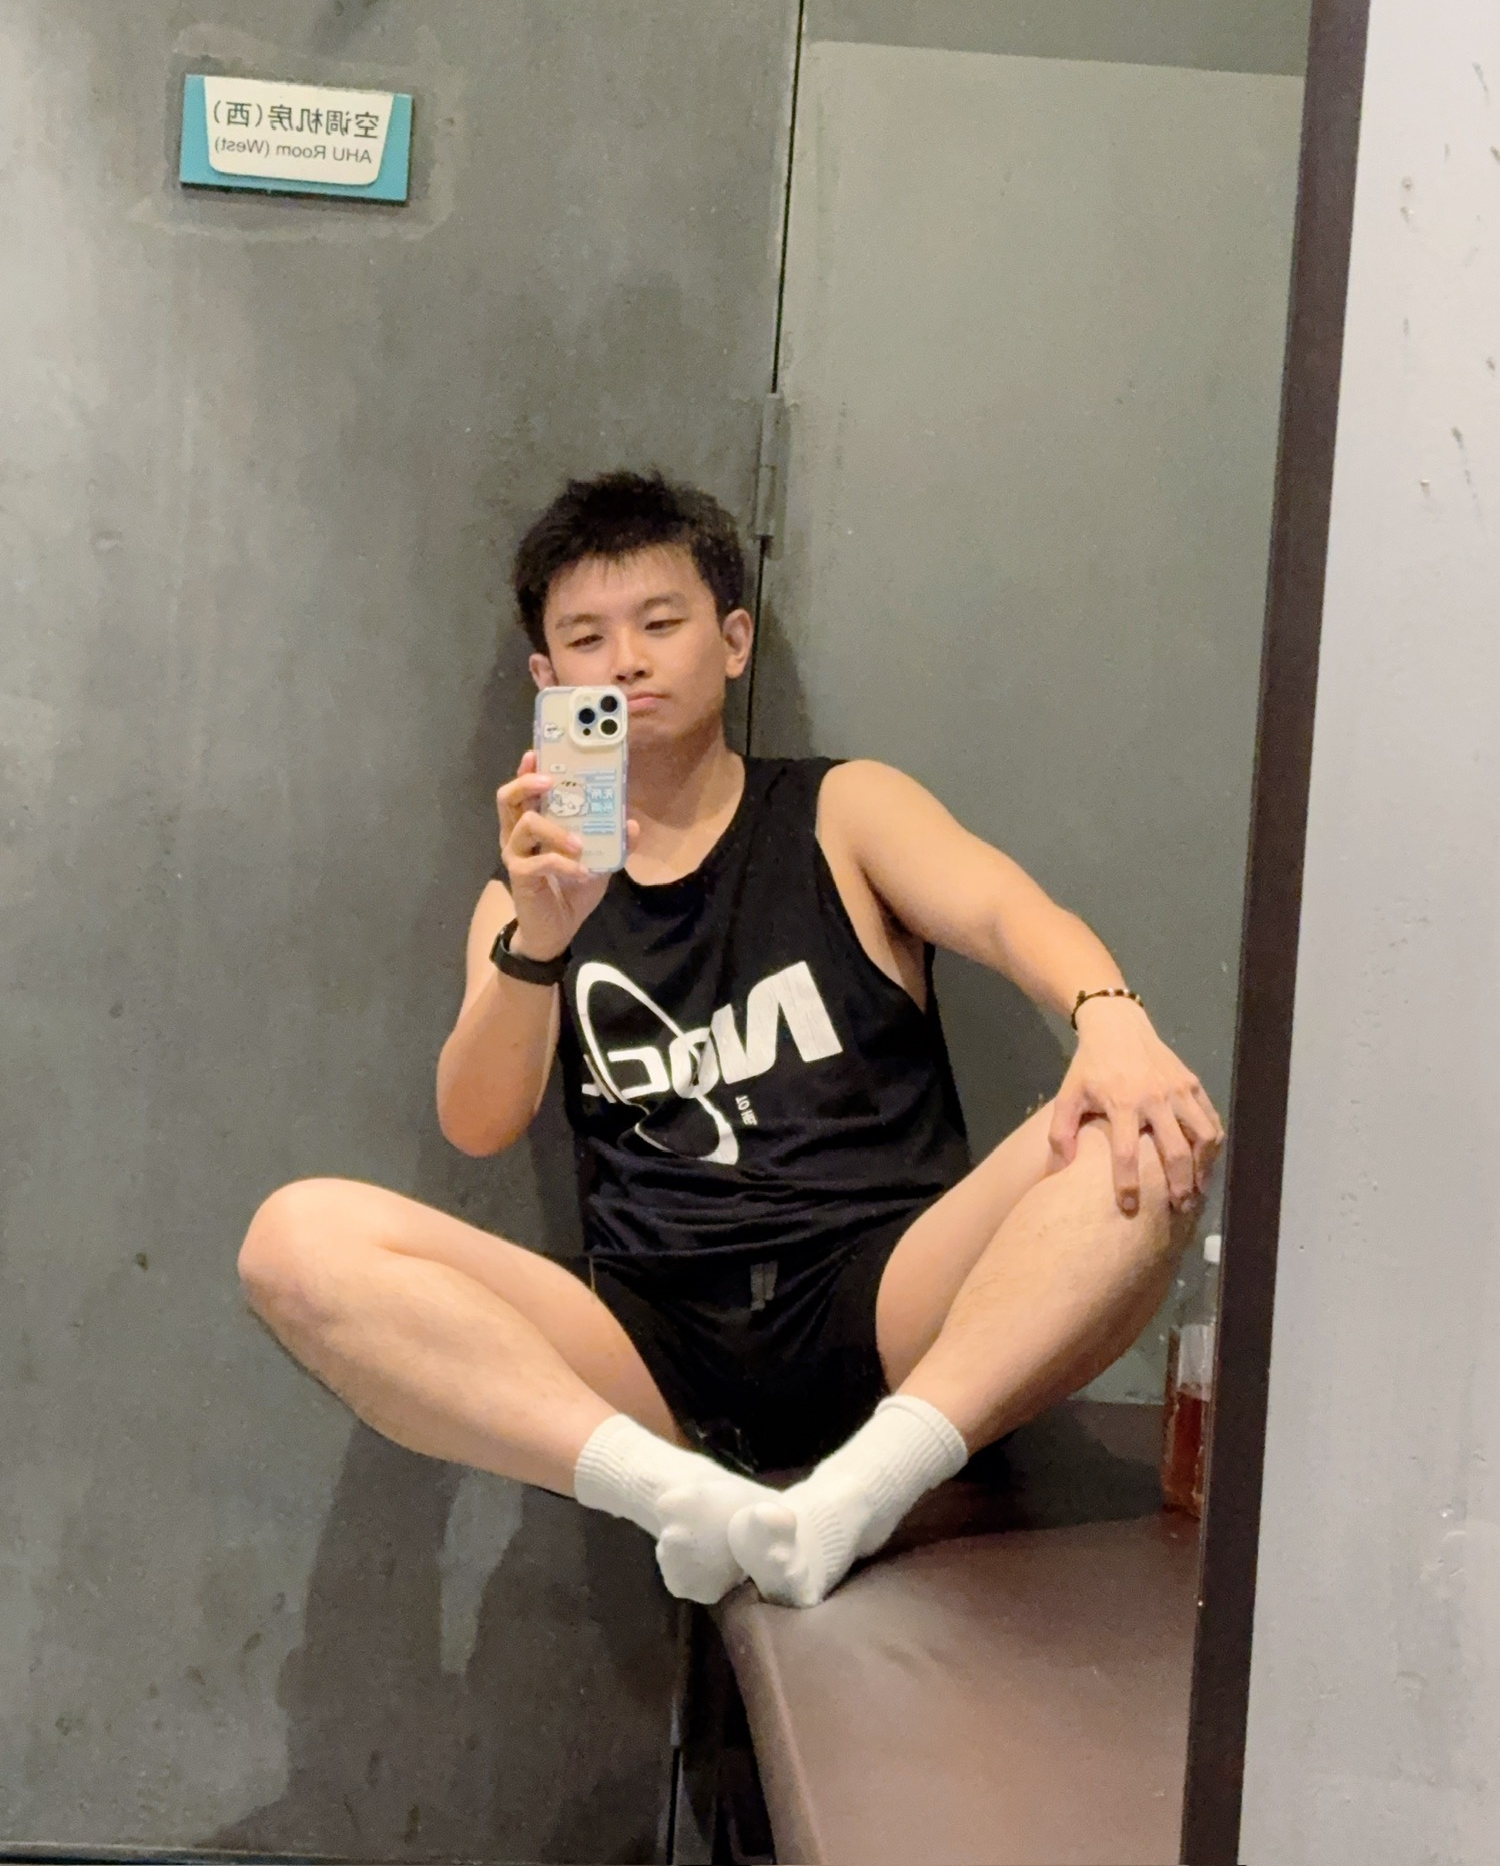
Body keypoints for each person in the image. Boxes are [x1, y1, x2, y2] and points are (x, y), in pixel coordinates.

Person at [239, 470, 1224, 1609]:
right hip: (651, 1339)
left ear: (735, 640)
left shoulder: (843, 810)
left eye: (661, 623)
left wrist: (1112, 1019)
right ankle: (681, 1499)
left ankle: (863, 1486)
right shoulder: (525, 897)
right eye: (587, 639)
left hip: (885, 1299)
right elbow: (477, 1121)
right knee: (294, 1240)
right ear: (548, 681)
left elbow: (1007, 910)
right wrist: (542, 938)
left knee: (1136, 1136)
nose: (628, 662)